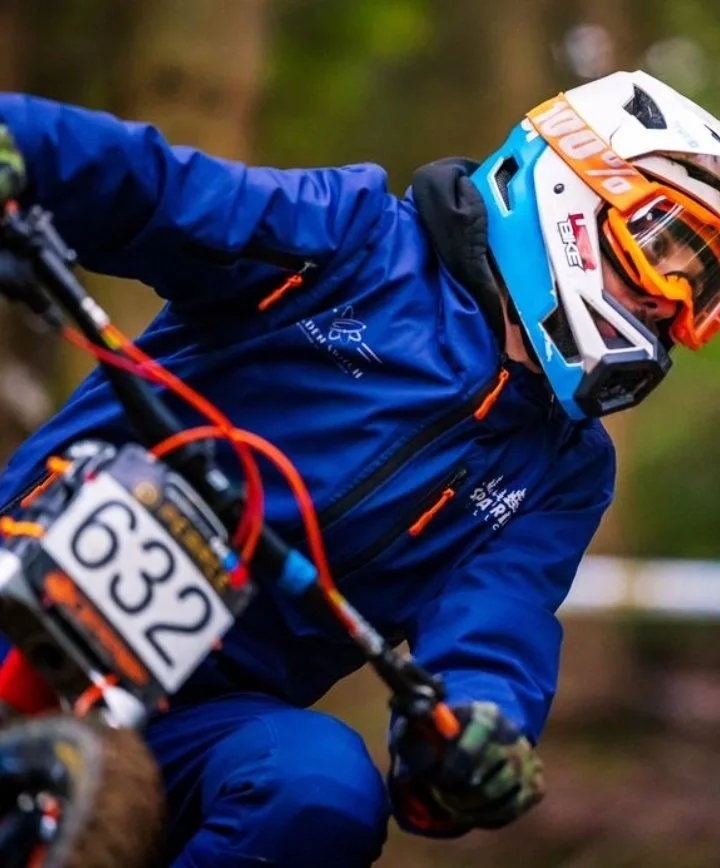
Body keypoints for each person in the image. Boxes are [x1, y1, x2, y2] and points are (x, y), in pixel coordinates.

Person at [0, 67, 718, 867]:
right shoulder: (352, 240)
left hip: (186, 721)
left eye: (701, 284)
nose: (673, 304)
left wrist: (473, 743)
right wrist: (28, 147)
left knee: (319, 790)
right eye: (663, 250)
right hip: (28, 577)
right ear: (570, 190)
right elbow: (160, 191)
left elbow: (495, 633)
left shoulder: (565, 470)